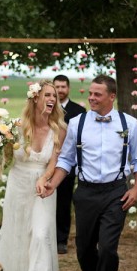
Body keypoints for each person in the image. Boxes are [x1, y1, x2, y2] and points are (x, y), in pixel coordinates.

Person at [45, 75, 137, 271]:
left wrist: (135, 190)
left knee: (108, 250)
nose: (91, 97)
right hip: (86, 193)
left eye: (97, 94)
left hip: (116, 192)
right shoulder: (77, 123)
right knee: (84, 250)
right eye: (90, 93)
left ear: (111, 96)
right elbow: (67, 159)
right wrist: (53, 185)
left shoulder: (129, 123)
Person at [0, 79, 67, 271]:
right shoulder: (16, 127)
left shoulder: (60, 128)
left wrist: (44, 178)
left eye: (54, 95)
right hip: (18, 183)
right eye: (47, 95)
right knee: (18, 231)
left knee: (41, 234)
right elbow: (5, 157)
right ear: (35, 98)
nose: (52, 99)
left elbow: (54, 162)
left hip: (42, 186)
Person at [53, 74, 85, 255]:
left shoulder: (79, 111)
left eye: (63, 87)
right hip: (45, 163)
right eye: (57, 87)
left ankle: (61, 240)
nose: (60, 90)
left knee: (64, 203)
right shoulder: (45, 108)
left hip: (68, 165)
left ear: (68, 88)